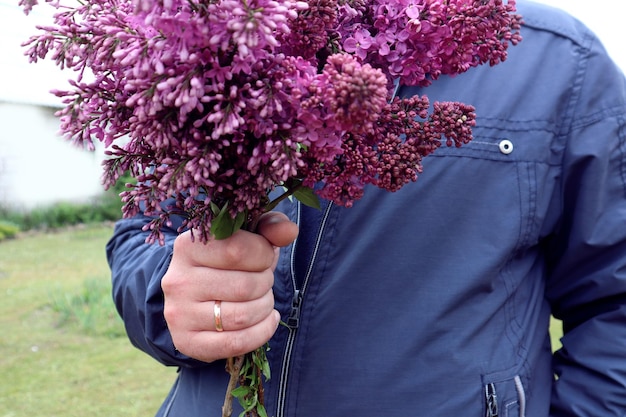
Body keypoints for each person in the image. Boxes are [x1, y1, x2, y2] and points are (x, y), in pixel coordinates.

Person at [106, 1, 626, 416]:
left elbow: (614, 303)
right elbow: (140, 235)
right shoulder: (223, 35)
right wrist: (170, 295)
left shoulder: (559, 63)